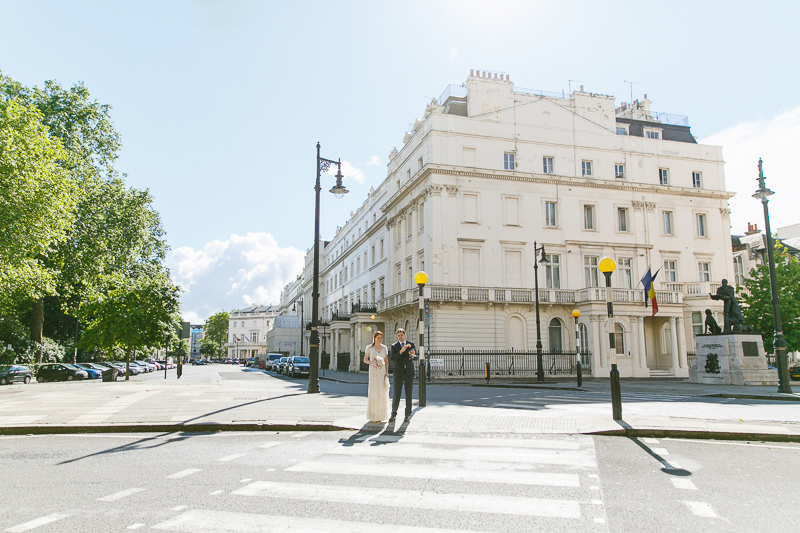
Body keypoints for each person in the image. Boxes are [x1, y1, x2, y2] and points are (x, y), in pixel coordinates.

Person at [389, 328, 416, 423]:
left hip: (408, 372)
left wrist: (413, 356)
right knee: (396, 393)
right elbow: (392, 358)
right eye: (398, 335)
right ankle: (393, 413)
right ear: (397, 336)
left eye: (402, 335)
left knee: (409, 394)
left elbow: (415, 356)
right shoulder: (394, 346)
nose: (400, 337)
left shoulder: (410, 344)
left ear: (405, 335)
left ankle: (407, 414)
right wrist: (400, 351)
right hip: (399, 372)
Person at [363, 331, 390, 423]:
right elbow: (365, 359)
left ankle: (381, 415)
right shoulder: (369, 348)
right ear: (374, 338)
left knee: (382, 392)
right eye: (378, 338)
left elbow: (386, 361)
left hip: (382, 372)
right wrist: (371, 362)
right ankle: (374, 415)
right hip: (373, 371)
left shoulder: (385, 348)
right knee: (374, 391)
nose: (379, 340)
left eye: (381, 338)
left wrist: (386, 372)